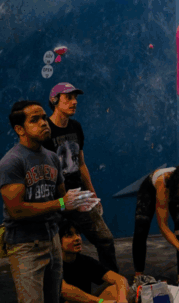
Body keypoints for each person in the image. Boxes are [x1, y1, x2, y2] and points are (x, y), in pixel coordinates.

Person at [0, 100, 93, 303]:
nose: (44, 123)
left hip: (52, 241)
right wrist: (61, 203)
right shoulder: (12, 162)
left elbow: (62, 198)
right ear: (19, 129)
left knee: (54, 299)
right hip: (25, 246)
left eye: (43, 117)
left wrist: (79, 203)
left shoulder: (52, 158)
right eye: (35, 120)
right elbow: (16, 210)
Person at [42, 83, 118, 272]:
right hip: (55, 200)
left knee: (105, 239)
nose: (74, 102)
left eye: (75, 98)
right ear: (54, 100)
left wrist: (91, 192)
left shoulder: (76, 127)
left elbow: (81, 163)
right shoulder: (45, 131)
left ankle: (111, 285)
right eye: (68, 98)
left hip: (78, 196)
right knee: (55, 248)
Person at [132, 164, 179, 281]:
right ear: (178, 184)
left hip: (176, 193)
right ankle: (138, 274)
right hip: (150, 189)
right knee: (141, 227)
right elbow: (163, 226)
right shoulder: (164, 184)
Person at [59, 219, 129, 303]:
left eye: (77, 234)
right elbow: (64, 291)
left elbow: (120, 279)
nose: (77, 238)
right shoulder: (52, 266)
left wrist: (122, 299)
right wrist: (100, 301)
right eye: (69, 235)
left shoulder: (85, 261)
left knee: (116, 289)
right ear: (57, 242)